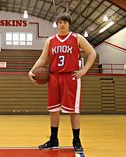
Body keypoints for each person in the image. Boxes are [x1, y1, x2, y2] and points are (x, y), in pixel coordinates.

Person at [28, 12, 96, 152]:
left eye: (65, 22)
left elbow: (92, 53)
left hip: (71, 77)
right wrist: (32, 70)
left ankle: (76, 141)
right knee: (53, 110)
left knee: (74, 111)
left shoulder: (77, 38)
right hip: (54, 77)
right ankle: (53, 140)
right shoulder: (50, 40)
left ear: (69, 24)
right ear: (57, 24)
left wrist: (84, 70)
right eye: (60, 22)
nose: (62, 24)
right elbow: (42, 58)